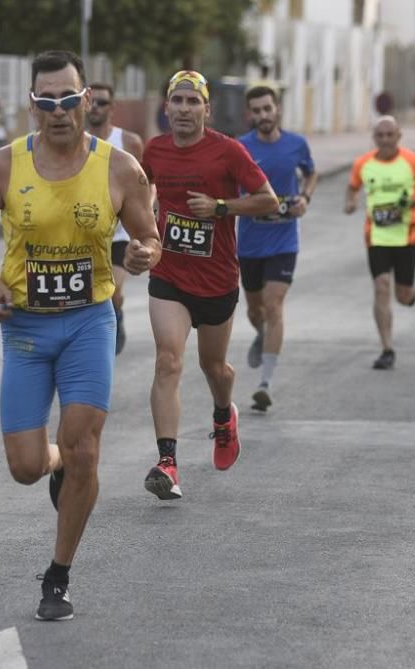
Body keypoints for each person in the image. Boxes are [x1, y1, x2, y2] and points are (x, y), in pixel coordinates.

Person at [0, 50, 160, 621]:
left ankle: (58, 574)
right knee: (26, 466)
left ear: (87, 102)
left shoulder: (121, 168)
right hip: (25, 327)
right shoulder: (4, 164)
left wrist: (146, 254)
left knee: (85, 448)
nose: (60, 111)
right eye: (46, 101)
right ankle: (56, 463)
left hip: (89, 323)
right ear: (33, 104)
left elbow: (149, 235)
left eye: (69, 99)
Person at [141, 70, 277, 501]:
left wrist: (220, 207)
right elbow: (139, 194)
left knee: (213, 367)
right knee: (168, 361)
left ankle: (223, 416)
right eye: (176, 101)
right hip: (169, 274)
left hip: (217, 278)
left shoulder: (228, 151)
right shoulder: (155, 150)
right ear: (166, 107)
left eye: (192, 102)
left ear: (206, 109)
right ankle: (167, 462)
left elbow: (268, 200)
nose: (183, 109)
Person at [237, 85, 317, 412]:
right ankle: (262, 334)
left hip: (285, 241)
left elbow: (311, 173)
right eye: (256, 111)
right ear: (249, 115)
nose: (263, 116)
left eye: (267, 109)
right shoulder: (240, 148)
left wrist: (305, 198)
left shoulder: (296, 144)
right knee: (255, 310)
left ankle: (265, 383)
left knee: (274, 305)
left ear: (278, 109)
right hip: (250, 244)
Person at [344, 116, 415, 369]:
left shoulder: (413, 162)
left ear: (399, 136)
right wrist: (351, 202)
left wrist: (412, 202)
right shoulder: (362, 164)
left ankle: (410, 293)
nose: (385, 140)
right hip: (376, 237)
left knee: (402, 295)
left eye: (390, 135)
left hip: (407, 236)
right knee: (381, 285)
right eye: (380, 135)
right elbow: (352, 187)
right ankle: (387, 348)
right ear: (374, 138)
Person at [86, 82, 145, 355]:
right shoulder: (75, 142)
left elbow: (144, 184)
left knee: (112, 292)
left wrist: (145, 213)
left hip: (119, 234)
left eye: (102, 102)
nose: (95, 107)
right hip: (85, 233)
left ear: (112, 107)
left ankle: (116, 318)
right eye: (92, 102)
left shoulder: (128, 142)